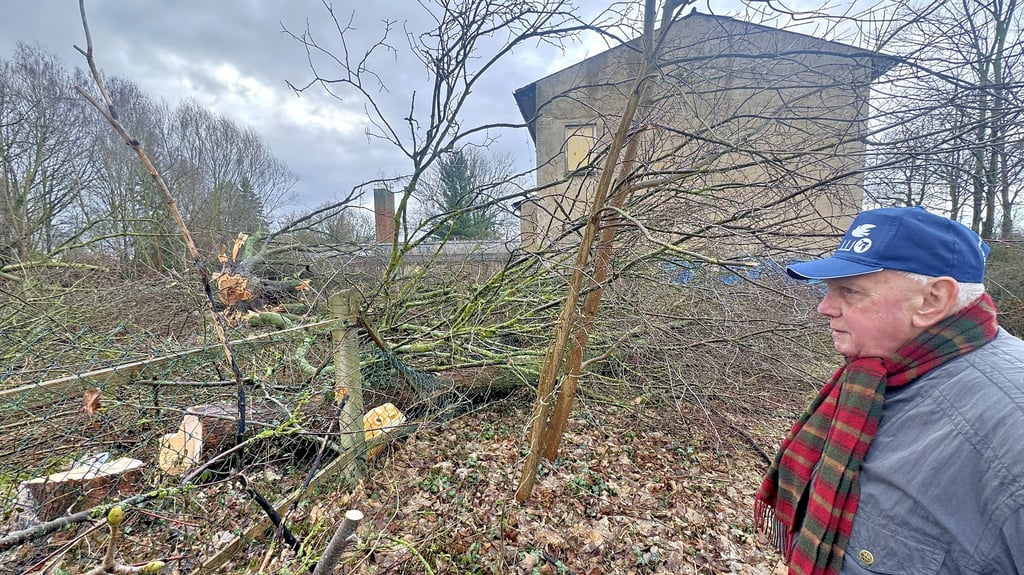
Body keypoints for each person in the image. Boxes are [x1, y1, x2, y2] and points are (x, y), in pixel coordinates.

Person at [754, 206, 1024, 574]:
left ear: (932, 300)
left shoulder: (1011, 428)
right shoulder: (881, 375)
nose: (824, 307)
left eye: (849, 291)